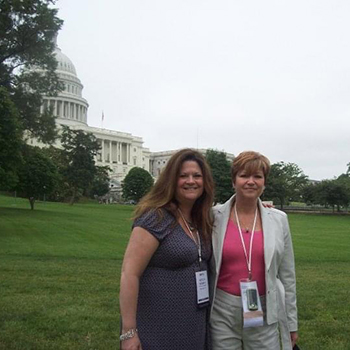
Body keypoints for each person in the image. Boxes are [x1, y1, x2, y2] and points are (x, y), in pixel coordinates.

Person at [119, 148, 214, 350]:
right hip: (157, 325)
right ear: (171, 180)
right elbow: (130, 274)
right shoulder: (156, 217)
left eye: (197, 176)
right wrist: (128, 332)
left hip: (193, 325)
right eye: (183, 176)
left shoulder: (201, 219)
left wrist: (257, 207)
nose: (191, 181)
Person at [210, 151, 298, 350]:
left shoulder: (279, 220)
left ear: (264, 182)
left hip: (265, 307)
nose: (251, 181)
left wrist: (291, 323)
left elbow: (287, 275)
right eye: (244, 176)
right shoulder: (213, 216)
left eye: (257, 176)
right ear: (234, 181)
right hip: (222, 310)